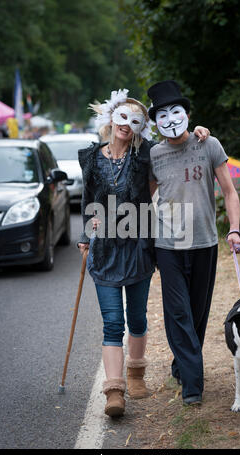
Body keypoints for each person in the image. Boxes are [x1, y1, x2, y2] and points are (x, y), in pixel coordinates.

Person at [77, 88, 210, 417]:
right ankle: (114, 391)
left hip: (138, 246)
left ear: (140, 127)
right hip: (104, 249)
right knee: (112, 323)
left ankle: (136, 375)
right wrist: (84, 234)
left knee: (136, 318)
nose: (127, 124)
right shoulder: (92, 157)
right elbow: (87, 199)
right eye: (122, 117)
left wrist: (197, 132)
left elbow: (176, 144)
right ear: (111, 118)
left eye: (135, 120)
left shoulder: (146, 154)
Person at [147, 80, 240, 406]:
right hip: (168, 245)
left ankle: (181, 365)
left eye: (176, 111)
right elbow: (145, 201)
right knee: (178, 313)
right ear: (156, 120)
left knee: (197, 313)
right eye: (163, 114)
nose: (171, 119)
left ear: (187, 114)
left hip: (205, 242)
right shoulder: (154, 155)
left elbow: (229, 191)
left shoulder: (208, 143)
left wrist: (234, 228)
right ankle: (193, 386)